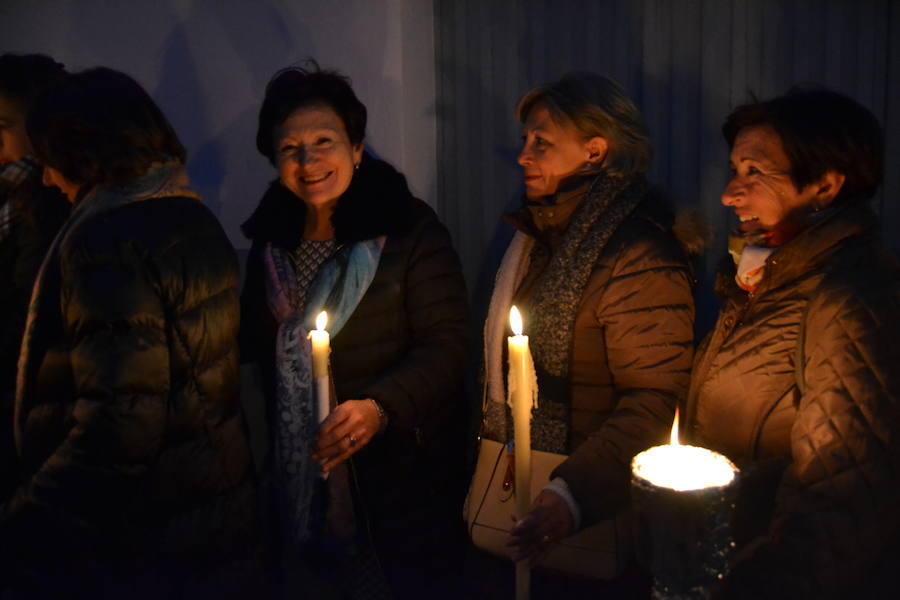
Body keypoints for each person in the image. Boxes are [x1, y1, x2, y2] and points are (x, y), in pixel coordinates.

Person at [0, 67, 258, 599]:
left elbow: (119, 425)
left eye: (50, 160)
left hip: (142, 533)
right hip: (205, 504)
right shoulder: (190, 215)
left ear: (83, 152)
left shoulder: (106, 242)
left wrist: (25, 518)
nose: (47, 179)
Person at [240, 63, 471, 599]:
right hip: (301, 469)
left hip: (397, 473)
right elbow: (255, 349)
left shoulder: (407, 230)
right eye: (290, 148)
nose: (308, 161)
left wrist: (379, 407)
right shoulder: (271, 243)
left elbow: (449, 343)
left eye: (325, 141)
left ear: (357, 148)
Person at [477, 71, 697, 596]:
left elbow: (654, 398)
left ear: (595, 152)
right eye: (526, 141)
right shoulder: (542, 235)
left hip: (589, 504)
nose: (523, 156)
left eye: (542, 143)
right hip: (527, 478)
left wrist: (571, 496)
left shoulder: (637, 253)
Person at [685, 87, 900, 598]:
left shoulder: (849, 299)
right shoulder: (763, 281)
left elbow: (840, 500)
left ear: (824, 187)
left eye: (754, 173)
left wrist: (752, 584)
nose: (729, 194)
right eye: (734, 170)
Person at [0, 53, 69, 499]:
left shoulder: (45, 206)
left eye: (4, 125)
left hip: (32, 406)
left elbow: (22, 311)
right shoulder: (12, 199)